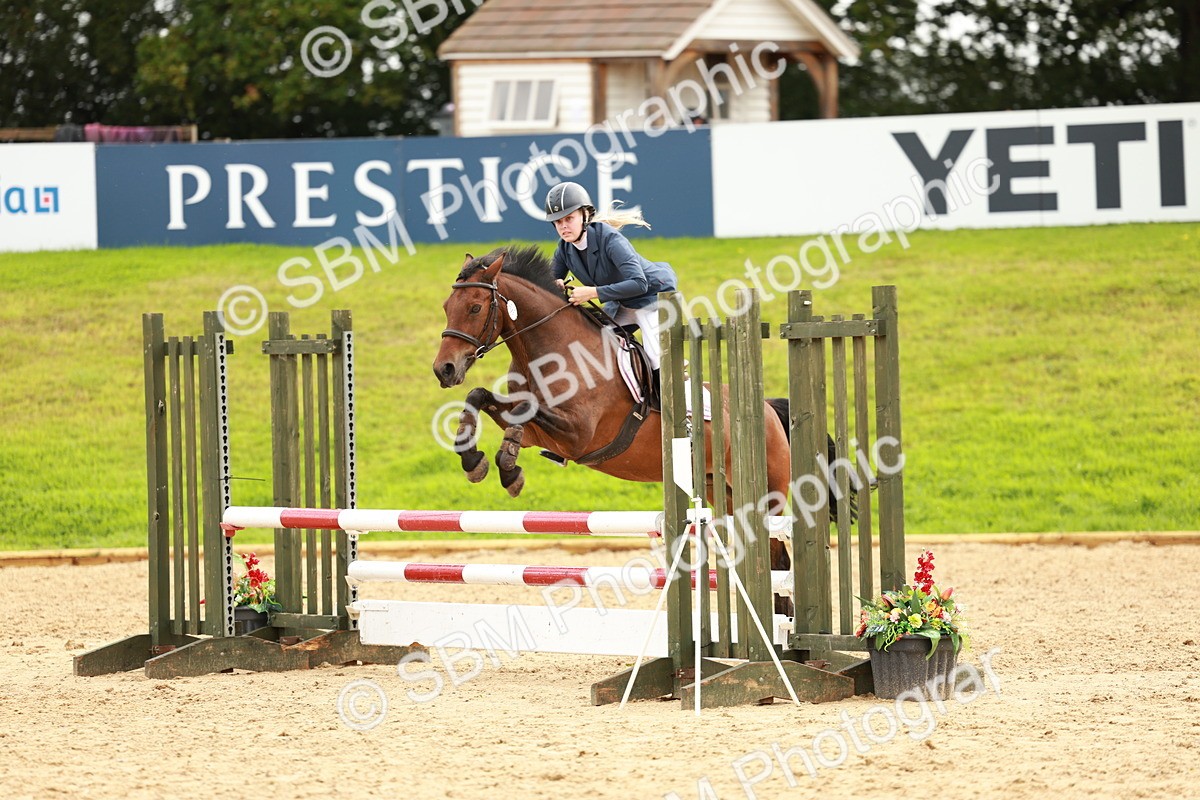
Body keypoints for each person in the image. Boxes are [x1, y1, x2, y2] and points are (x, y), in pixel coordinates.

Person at [544, 182, 677, 382]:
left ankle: (679, 404)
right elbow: (550, 280)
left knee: (655, 358)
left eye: (569, 218)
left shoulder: (611, 240)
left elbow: (639, 283)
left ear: (585, 216)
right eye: (558, 222)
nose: (563, 226)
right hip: (621, 304)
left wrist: (592, 293)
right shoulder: (564, 248)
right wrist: (555, 285)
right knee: (594, 346)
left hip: (651, 298)